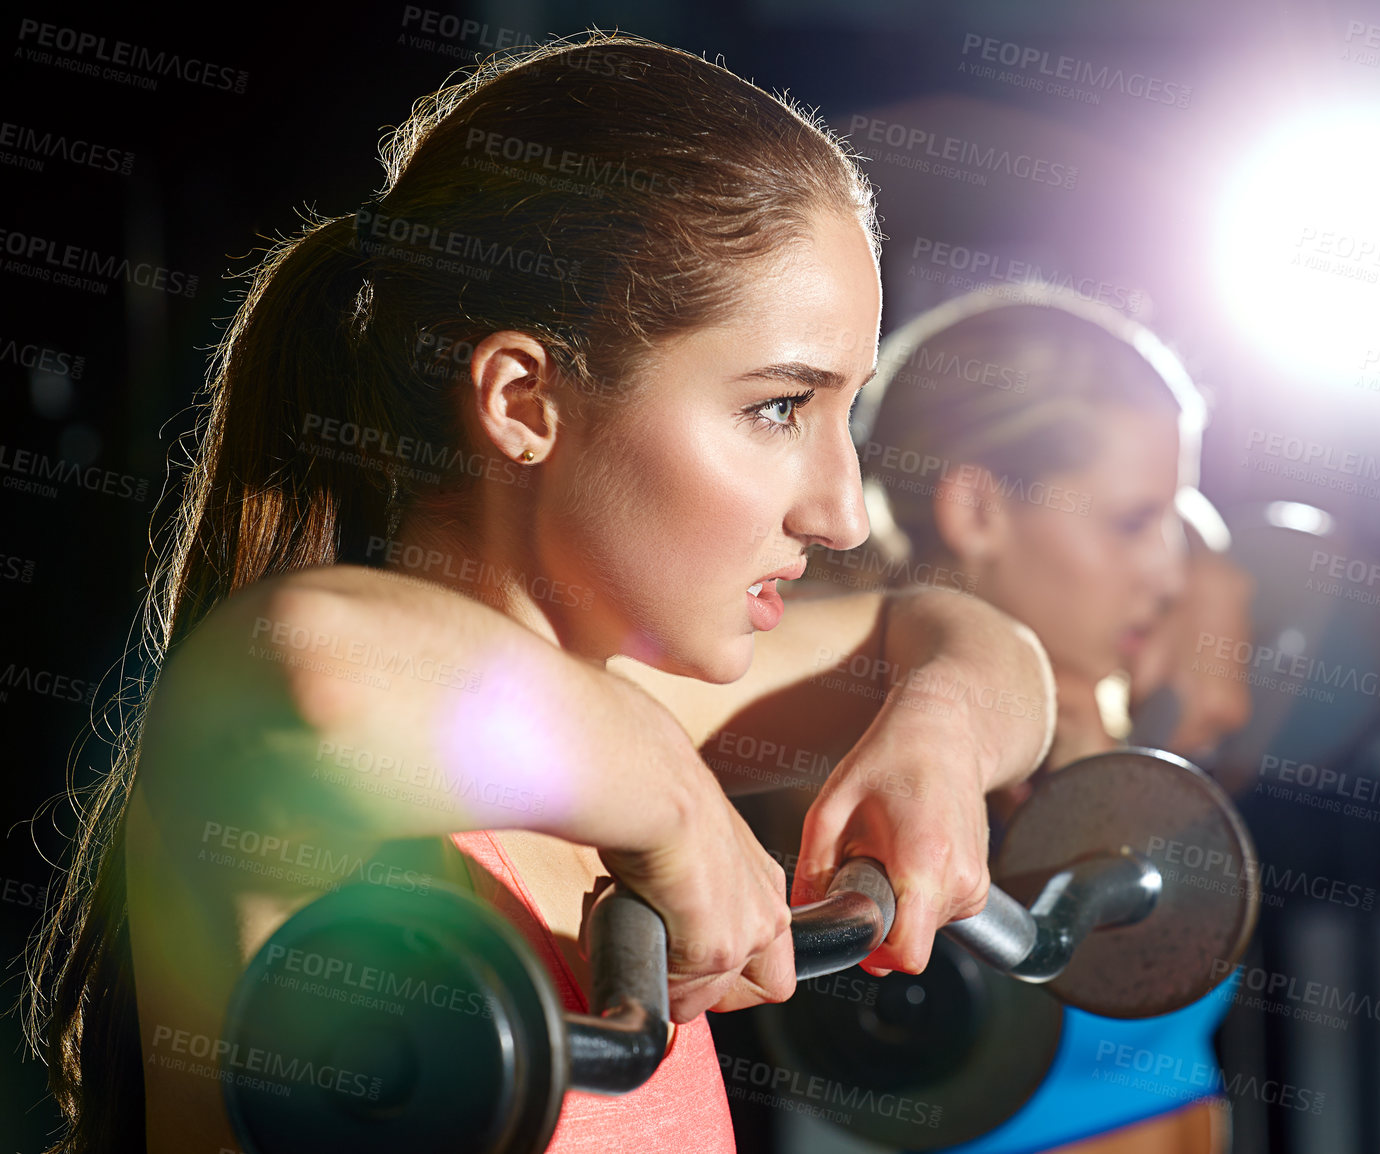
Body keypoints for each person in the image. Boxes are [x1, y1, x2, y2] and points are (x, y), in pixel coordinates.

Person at [18, 35, 1057, 1154]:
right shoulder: (306, 788)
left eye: (840, 412)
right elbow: (302, 665)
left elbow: (973, 639)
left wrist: (939, 735)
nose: (844, 514)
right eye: (776, 408)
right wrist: (671, 794)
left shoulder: (626, 705)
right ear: (523, 401)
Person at [809, 284, 1255, 1154]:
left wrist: (1219, 574)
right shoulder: (881, 758)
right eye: (1134, 522)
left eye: (1179, 519)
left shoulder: (1113, 696)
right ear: (978, 510)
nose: (1167, 572)